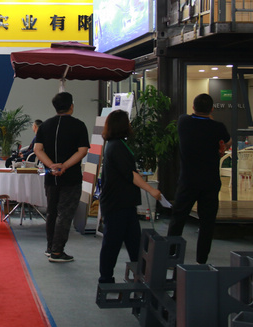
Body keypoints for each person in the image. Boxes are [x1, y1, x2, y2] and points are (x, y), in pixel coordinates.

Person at [98, 110, 162, 283]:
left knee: (134, 243)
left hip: (124, 203)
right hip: (117, 204)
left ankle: (141, 276)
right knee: (112, 244)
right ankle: (106, 279)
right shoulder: (117, 146)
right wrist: (151, 190)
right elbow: (131, 175)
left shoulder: (117, 144)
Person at [168, 93, 231, 264]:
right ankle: (201, 260)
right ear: (212, 109)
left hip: (188, 180)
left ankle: (171, 256)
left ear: (193, 107)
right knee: (207, 223)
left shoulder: (183, 122)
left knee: (178, 219)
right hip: (210, 181)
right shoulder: (218, 127)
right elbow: (227, 142)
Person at [34, 92, 90, 263]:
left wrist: (51, 165)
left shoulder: (45, 126)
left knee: (52, 212)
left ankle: (50, 247)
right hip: (71, 177)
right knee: (65, 214)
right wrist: (64, 165)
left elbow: (37, 149)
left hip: (51, 177)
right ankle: (57, 252)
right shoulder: (79, 125)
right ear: (71, 106)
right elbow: (82, 151)